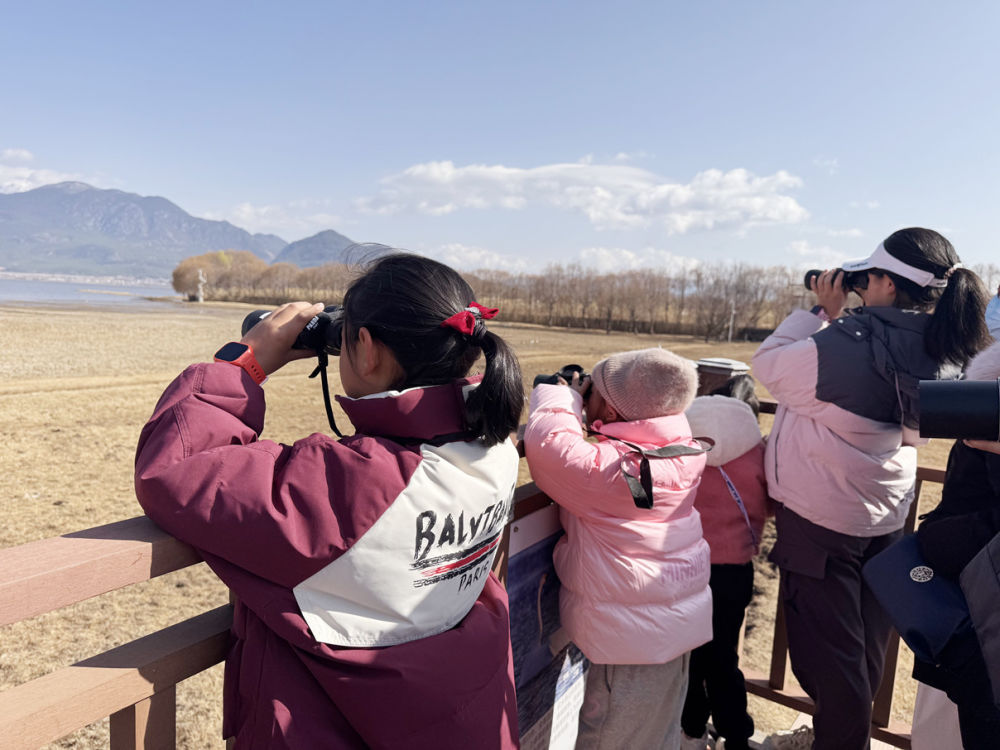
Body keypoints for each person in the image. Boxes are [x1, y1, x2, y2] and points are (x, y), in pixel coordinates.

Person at [134, 253, 525, 749]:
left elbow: (176, 467)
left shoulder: (357, 486)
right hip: (462, 721)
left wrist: (245, 361)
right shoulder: (494, 447)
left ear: (367, 350)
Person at [751, 228, 990, 750]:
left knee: (829, 660)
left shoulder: (849, 343)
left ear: (886, 283)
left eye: (867, 278)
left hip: (821, 516)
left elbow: (768, 365)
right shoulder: (948, 348)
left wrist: (823, 311)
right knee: (865, 647)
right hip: (885, 512)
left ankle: (842, 740)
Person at [523, 348, 713, 750]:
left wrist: (560, 395)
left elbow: (549, 445)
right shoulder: (678, 450)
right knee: (655, 737)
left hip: (632, 644)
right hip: (666, 630)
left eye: (593, 390)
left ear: (610, 410)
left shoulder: (621, 471)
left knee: (613, 739)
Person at [914, 339, 1000, 748]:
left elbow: (971, 539)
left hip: (982, 641)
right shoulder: (985, 399)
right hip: (973, 634)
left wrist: (933, 537)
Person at [681, 375, 771, 750]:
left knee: (689, 657)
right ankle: (735, 736)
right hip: (733, 571)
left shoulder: (685, 446)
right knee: (723, 658)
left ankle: (690, 730)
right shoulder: (759, 453)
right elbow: (771, 504)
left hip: (685, 567)